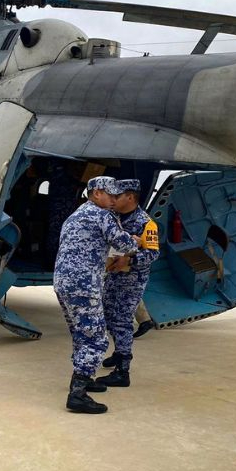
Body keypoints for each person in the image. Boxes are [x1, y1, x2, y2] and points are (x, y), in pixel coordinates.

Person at [53, 176, 139, 414]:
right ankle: (78, 394)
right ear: (96, 193)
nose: (113, 201)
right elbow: (125, 245)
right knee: (97, 338)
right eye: (110, 195)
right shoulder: (102, 216)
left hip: (63, 281)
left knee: (81, 332)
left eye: (115, 196)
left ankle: (84, 377)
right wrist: (134, 240)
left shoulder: (77, 214)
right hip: (84, 283)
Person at [97, 178, 161, 387]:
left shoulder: (146, 223)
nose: (113, 200)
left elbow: (153, 254)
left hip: (131, 280)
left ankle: (123, 370)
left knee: (122, 320)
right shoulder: (113, 217)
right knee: (108, 315)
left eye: (117, 196)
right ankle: (119, 352)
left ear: (131, 197)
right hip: (113, 277)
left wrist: (130, 259)